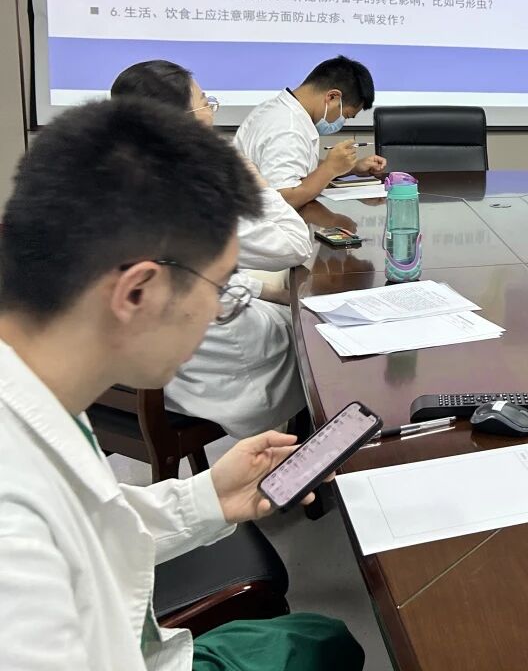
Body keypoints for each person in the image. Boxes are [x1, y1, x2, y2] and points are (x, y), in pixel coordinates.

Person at [0, 98, 364, 671]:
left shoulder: (37, 390)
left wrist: (209, 495)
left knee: (322, 640)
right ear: (138, 292)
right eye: (218, 287)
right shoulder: (14, 535)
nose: (217, 310)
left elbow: (92, 520)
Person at [110, 61, 307, 437]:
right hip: (213, 372)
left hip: (140, 364)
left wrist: (268, 291)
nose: (210, 111)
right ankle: (314, 454)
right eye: (204, 102)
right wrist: (259, 185)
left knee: (290, 309)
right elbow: (295, 245)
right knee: (315, 342)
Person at [235, 56, 387, 208]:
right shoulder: (288, 128)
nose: (342, 122)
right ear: (332, 97)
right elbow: (285, 200)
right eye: (345, 115)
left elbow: (301, 167)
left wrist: (351, 168)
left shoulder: (278, 110)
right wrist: (330, 168)